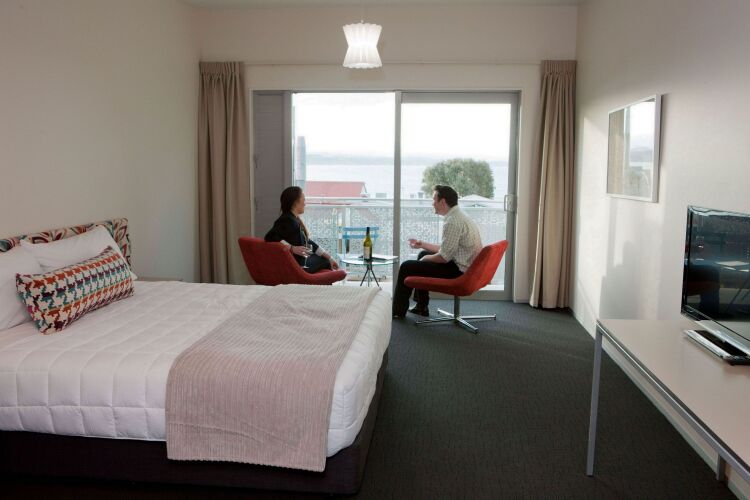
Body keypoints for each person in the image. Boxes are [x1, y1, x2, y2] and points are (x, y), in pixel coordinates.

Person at [392, 185, 483, 318]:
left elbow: (444, 257)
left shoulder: (452, 222)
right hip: (465, 266)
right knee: (423, 253)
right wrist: (422, 244)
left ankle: (397, 312)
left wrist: (424, 260)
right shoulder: (459, 215)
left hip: (458, 271)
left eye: (434, 199)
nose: (432, 203)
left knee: (407, 266)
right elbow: (448, 248)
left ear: (443, 202)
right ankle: (421, 306)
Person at [265, 186, 340, 274]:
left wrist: (329, 257)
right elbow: (269, 236)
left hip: (300, 261)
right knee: (326, 262)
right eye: (303, 200)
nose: (305, 204)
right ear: (295, 202)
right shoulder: (287, 220)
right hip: (296, 265)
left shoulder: (293, 219)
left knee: (326, 260)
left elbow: (308, 242)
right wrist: (291, 248)